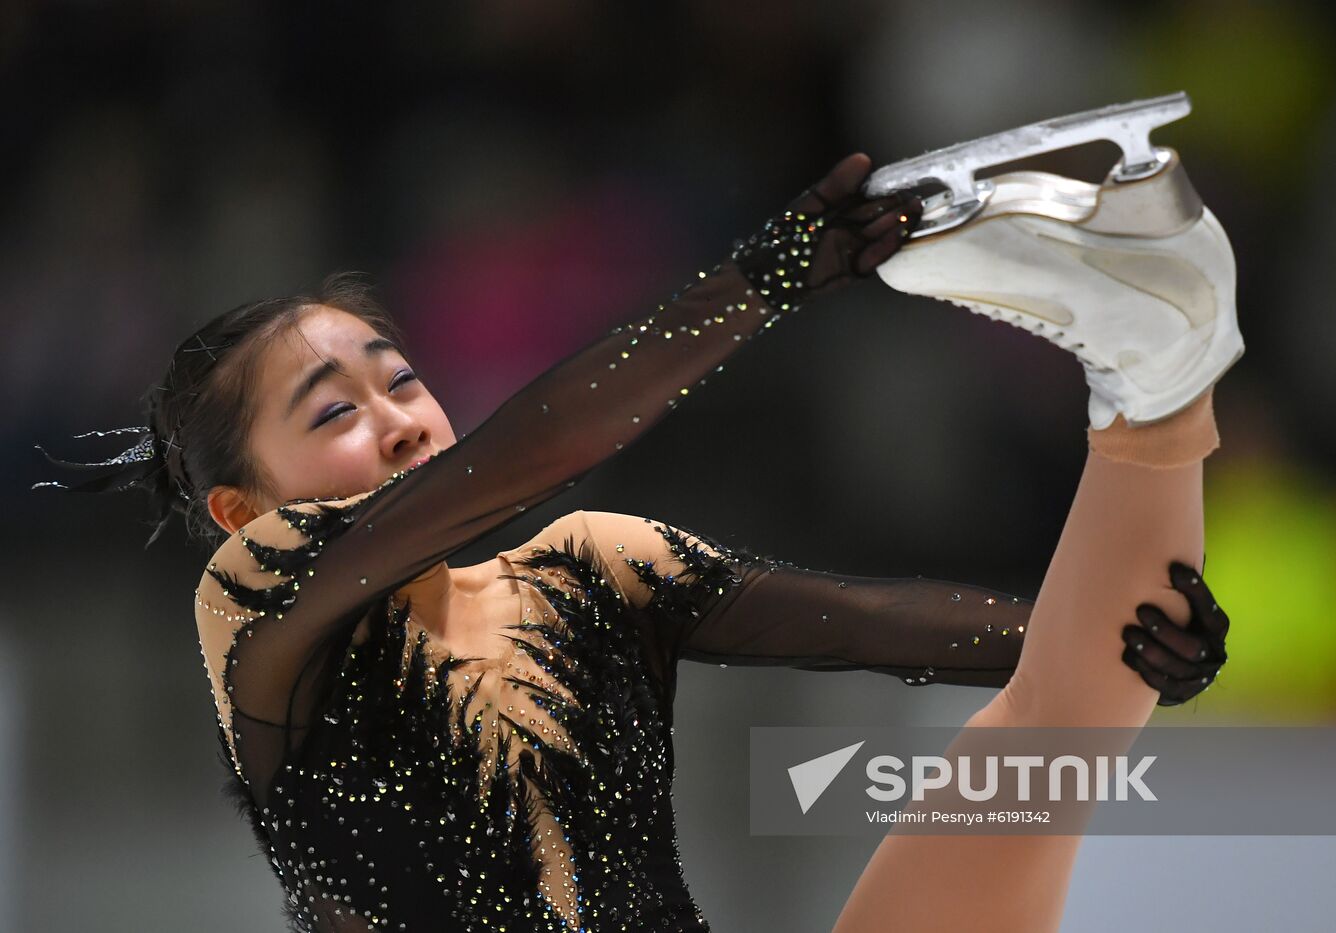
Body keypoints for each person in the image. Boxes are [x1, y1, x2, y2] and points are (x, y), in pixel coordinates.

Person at [31, 153, 1229, 932]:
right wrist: (754, 282)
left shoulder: (587, 570)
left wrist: (1119, 642)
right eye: (335, 413)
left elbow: (895, 628)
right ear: (243, 509)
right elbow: (518, 459)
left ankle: (1156, 376)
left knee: (1041, 730)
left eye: (400, 380)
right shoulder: (255, 604)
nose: (399, 419)